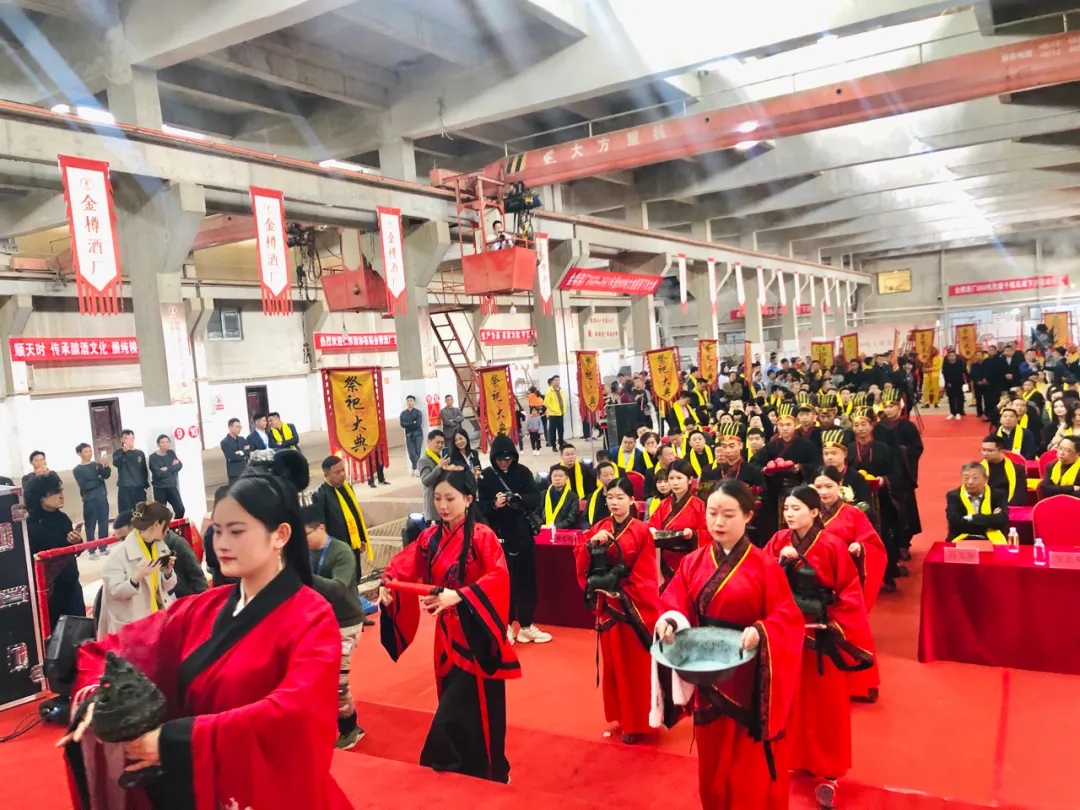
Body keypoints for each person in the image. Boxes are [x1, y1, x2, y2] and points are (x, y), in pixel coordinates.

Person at [61, 469, 352, 810]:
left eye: (237, 531)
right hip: (192, 787)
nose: (222, 543)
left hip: (268, 794)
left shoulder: (311, 617)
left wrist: (175, 741)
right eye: (217, 530)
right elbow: (118, 649)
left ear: (280, 535)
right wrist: (102, 696)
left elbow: (293, 713)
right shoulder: (202, 608)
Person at [653, 480, 804, 809]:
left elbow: (788, 619)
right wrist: (670, 620)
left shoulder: (765, 566)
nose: (718, 522)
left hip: (747, 675)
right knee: (712, 761)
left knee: (747, 767)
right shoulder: (693, 562)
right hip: (706, 672)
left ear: (748, 515)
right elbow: (676, 600)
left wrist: (762, 631)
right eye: (712, 513)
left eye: (728, 515)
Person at [379, 469, 520, 781]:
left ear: (468, 500)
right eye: (438, 498)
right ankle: (472, 770)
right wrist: (388, 585)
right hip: (446, 634)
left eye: (450, 499)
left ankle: (487, 769)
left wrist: (460, 596)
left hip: (477, 633)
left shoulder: (482, 536)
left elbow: (499, 577)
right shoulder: (429, 537)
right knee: (454, 703)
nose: (443, 505)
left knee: (466, 709)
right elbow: (403, 565)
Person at [765, 486, 874, 808]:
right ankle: (796, 757)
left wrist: (834, 625)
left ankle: (829, 773)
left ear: (814, 512)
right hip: (787, 634)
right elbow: (763, 580)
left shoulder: (832, 545)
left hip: (822, 634)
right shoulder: (778, 541)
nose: (789, 514)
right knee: (790, 700)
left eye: (797, 508)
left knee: (825, 705)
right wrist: (778, 563)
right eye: (787, 508)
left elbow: (850, 591)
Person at [576, 477, 661, 744]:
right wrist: (590, 545)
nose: (614, 502)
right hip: (607, 606)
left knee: (635, 666)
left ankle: (639, 722)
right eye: (610, 497)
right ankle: (623, 718)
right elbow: (581, 558)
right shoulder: (599, 527)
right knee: (615, 666)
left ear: (632, 500)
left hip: (630, 605)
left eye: (620, 497)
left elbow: (647, 573)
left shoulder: (642, 531)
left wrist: (622, 594)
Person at [813, 467, 889, 701]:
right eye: (819, 487)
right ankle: (821, 685)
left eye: (829, 486)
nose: (824, 492)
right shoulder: (808, 512)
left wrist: (861, 547)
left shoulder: (853, 514)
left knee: (851, 630)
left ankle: (859, 685)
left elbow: (874, 545)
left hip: (845, 582)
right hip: (814, 581)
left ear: (840, 486)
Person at [301, 505, 367, 750]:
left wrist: (305, 576)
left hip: (345, 622)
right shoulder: (305, 552)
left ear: (321, 528)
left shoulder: (341, 552)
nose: (303, 542)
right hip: (317, 620)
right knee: (314, 676)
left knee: (338, 681)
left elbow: (338, 588)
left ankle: (350, 728)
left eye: (306, 535)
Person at [479, 434, 550, 645]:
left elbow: (535, 498)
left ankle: (527, 625)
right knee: (503, 584)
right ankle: (506, 625)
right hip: (500, 538)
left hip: (524, 536)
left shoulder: (523, 472)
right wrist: (493, 505)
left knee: (528, 582)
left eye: (508, 459)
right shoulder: (486, 476)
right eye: (500, 459)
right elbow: (477, 507)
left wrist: (519, 499)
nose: (504, 462)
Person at [98, 501, 178, 637]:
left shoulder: (161, 547)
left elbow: (166, 588)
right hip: (132, 627)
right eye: (166, 525)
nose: (168, 530)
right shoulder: (118, 554)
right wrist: (135, 578)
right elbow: (114, 592)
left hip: (158, 619)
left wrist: (167, 572)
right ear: (157, 525)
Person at [26, 472, 86, 631]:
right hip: (50, 591)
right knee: (55, 635)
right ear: (41, 497)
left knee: (80, 631)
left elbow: (71, 551)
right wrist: (64, 544)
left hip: (71, 584)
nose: (61, 496)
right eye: (55, 492)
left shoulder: (63, 518)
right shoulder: (31, 525)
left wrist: (76, 542)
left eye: (61, 491)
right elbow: (36, 558)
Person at [113, 510, 207, 600]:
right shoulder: (128, 556)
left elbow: (197, 578)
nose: (123, 544)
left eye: (124, 538)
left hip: (183, 604)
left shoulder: (175, 544)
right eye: (120, 540)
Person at [876, 391, 924, 560]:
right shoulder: (878, 427)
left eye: (892, 406)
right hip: (885, 473)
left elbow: (917, 448)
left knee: (905, 510)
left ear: (900, 407)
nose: (889, 410)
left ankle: (904, 543)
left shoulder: (907, 426)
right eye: (886, 406)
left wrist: (900, 452)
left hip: (903, 475)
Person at [648, 459, 709, 587]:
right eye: (671, 478)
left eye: (679, 478)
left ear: (690, 479)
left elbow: (708, 533)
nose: (675, 482)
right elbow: (651, 527)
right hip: (663, 562)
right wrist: (652, 531)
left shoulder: (698, 505)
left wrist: (693, 534)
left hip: (689, 561)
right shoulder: (663, 504)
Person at [311, 456, 372, 575]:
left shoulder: (347, 488)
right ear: (326, 475)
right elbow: (322, 526)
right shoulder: (320, 495)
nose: (342, 474)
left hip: (353, 542)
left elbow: (355, 514)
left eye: (343, 470)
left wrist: (361, 537)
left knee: (356, 575)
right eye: (337, 472)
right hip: (337, 548)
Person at [946, 462, 1010, 544]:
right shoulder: (953, 496)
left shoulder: (998, 495)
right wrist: (990, 519)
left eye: (974, 478)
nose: (970, 482)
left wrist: (971, 518)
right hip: (961, 539)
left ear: (986, 479)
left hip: (991, 539)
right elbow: (955, 524)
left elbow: (1001, 521)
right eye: (966, 478)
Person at [74, 443, 112, 560]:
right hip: (89, 500)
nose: (89, 454)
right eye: (86, 452)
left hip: (102, 497)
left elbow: (106, 475)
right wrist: (98, 479)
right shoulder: (77, 470)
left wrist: (106, 466)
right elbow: (85, 485)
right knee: (90, 525)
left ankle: (103, 547)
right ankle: (91, 550)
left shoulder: (96, 465)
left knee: (103, 522)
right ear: (79, 453)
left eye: (90, 451)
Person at [980, 434, 1028, 506]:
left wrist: (1004, 508)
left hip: (1009, 506)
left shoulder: (1018, 469)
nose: (985, 453)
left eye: (990, 451)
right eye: (983, 450)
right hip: (985, 505)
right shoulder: (978, 469)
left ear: (1002, 451)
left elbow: (1020, 495)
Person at [149, 434, 185, 519]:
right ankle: (163, 527)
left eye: (167, 442)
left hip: (171, 486)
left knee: (180, 509)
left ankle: (175, 525)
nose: (165, 444)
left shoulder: (171, 453)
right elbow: (158, 474)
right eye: (162, 442)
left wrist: (167, 468)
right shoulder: (153, 457)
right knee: (161, 514)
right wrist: (172, 468)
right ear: (158, 444)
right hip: (159, 488)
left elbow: (179, 466)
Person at [113, 430, 149, 512]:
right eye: (126, 438)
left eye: (131, 438)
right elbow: (116, 463)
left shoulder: (140, 453)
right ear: (122, 440)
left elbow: (144, 470)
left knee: (141, 513)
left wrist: (145, 486)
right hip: (125, 488)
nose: (129, 440)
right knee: (125, 513)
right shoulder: (118, 453)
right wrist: (124, 452)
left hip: (139, 488)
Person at [418, 429, 449, 522]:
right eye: (437, 442)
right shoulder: (424, 460)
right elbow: (426, 481)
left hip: (444, 502)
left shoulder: (440, 457)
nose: (440, 445)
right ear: (429, 442)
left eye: (442, 443)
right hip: (433, 508)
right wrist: (439, 466)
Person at [543, 465, 580, 529]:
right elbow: (535, 513)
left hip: (564, 530)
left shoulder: (573, 497)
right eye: (555, 476)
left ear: (566, 478)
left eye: (560, 476)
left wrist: (555, 527)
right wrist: (541, 525)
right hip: (543, 528)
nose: (557, 479)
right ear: (551, 477)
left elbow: (572, 518)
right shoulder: (542, 494)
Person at [583, 461, 619, 527]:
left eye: (612, 474)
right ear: (599, 478)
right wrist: (589, 529)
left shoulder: (621, 496)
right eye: (606, 475)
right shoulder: (592, 496)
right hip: (595, 530)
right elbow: (584, 519)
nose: (610, 478)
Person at [400, 395, 425, 476]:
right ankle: (415, 467)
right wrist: (412, 423)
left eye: (411, 401)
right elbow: (402, 424)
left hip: (418, 434)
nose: (409, 402)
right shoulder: (403, 413)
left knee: (417, 452)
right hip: (408, 435)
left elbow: (418, 424)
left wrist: (408, 424)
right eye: (408, 401)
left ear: (414, 402)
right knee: (411, 453)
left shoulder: (418, 412)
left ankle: (416, 468)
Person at [220, 418, 250, 483]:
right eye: (237, 427)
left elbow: (249, 451)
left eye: (240, 427)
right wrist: (245, 453)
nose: (239, 429)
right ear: (230, 427)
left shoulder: (242, 439)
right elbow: (232, 457)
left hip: (246, 472)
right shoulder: (225, 442)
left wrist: (242, 452)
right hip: (235, 475)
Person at [545, 376, 566, 449]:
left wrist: (564, 409)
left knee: (561, 430)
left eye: (558, 380)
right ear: (552, 381)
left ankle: (561, 444)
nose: (557, 382)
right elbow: (546, 403)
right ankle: (553, 445)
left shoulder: (561, 390)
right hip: (553, 414)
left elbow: (563, 401)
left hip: (561, 413)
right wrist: (553, 409)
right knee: (553, 431)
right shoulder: (549, 391)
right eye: (556, 380)